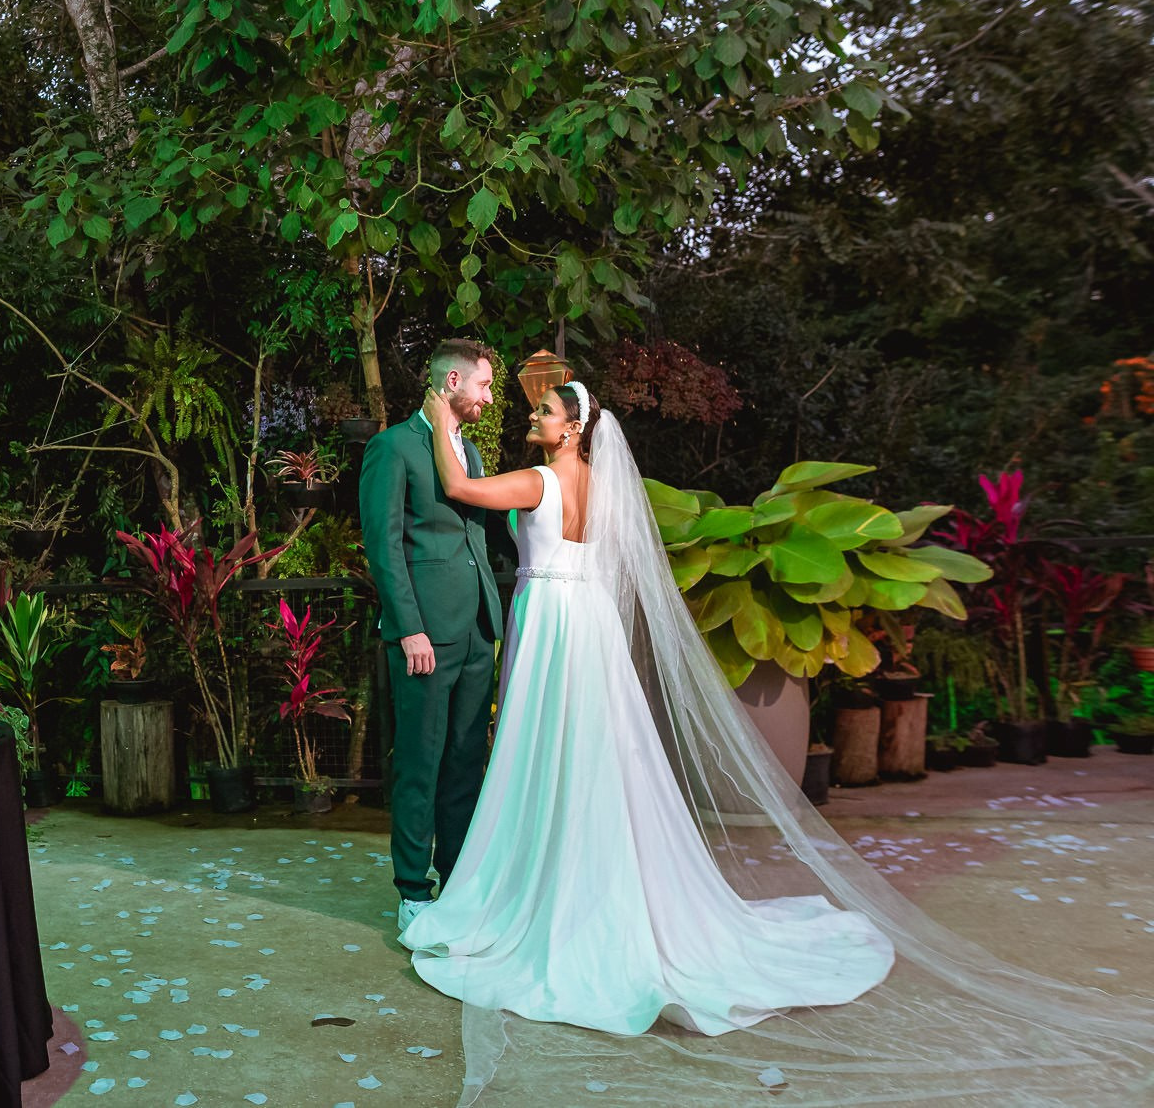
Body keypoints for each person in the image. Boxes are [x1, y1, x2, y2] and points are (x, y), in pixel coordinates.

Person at [397, 376, 1154, 1105]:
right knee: (594, 759)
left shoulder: (539, 479)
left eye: (545, 412)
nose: (534, 418)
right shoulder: (603, 482)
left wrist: (438, 421)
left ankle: (546, 891)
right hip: (586, 624)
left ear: (570, 426)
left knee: (548, 755)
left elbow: (464, 492)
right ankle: (582, 875)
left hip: (554, 624)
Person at [356, 340, 504, 933]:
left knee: (468, 760)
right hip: (425, 635)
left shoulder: (467, 450)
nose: (489, 398)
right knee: (420, 761)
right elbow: (384, 546)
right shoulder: (392, 448)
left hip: (475, 631)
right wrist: (409, 628)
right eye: (484, 386)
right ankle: (413, 891)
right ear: (451, 384)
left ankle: (458, 881)